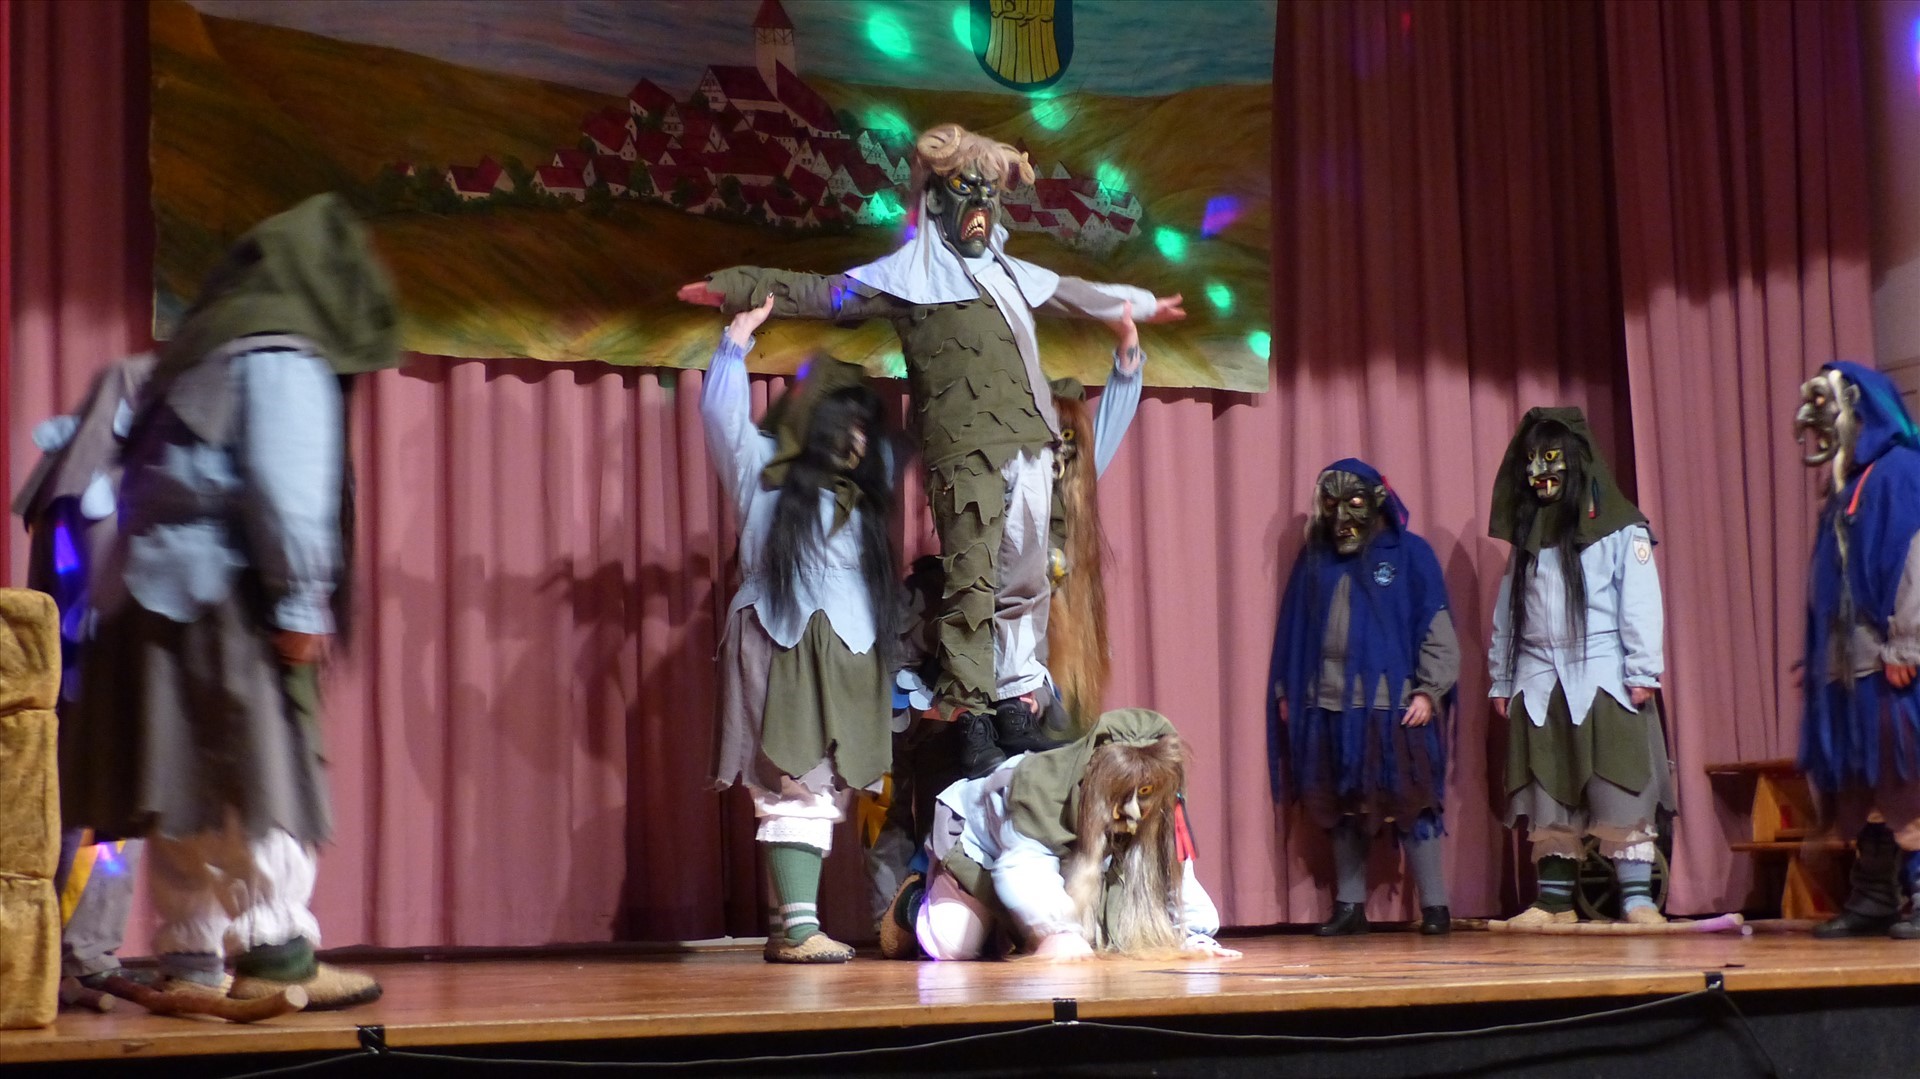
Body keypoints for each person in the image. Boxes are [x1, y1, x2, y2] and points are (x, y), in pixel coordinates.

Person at [680, 123, 1184, 778]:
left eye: (988, 195)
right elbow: (822, 292)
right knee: (973, 580)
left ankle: (1013, 699)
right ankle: (970, 713)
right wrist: (737, 286)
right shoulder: (907, 278)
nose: (979, 209)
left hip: (1029, 441)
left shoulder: (1008, 274)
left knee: (1028, 577)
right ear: (937, 200)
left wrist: (1140, 305)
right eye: (965, 192)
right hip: (965, 451)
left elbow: (1072, 292)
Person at [61, 193, 398, 1008]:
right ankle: (277, 951)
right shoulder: (281, 356)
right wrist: (301, 604)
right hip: (219, 598)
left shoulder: (193, 356)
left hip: (141, 602)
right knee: (255, 774)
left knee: (182, 779)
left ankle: (190, 952)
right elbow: (287, 488)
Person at [704, 296, 901, 962]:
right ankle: (796, 930)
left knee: (821, 786)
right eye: (850, 425)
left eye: (866, 429)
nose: (860, 441)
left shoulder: (863, 503)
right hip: (782, 644)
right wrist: (735, 342)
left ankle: (789, 922)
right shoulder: (764, 475)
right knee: (793, 780)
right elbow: (722, 419)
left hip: (844, 656)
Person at [1488, 408, 1673, 926]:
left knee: (1619, 782)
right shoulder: (1528, 538)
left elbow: (1640, 600)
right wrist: (1503, 677)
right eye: (1530, 460)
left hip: (1604, 673)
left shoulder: (1622, 530)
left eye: (1550, 458)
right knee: (1548, 787)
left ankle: (1636, 899)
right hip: (1539, 678)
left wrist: (1642, 669)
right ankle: (1553, 901)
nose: (1538, 473)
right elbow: (1508, 613)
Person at [13, 354, 156, 999]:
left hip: (77, 682)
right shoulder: (95, 490)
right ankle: (81, 953)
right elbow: (86, 595)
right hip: (96, 683)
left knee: (83, 816)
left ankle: (67, 953)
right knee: (102, 821)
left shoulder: (68, 480)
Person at [877, 708, 1239, 963]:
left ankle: (1003, 927)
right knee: (954, 944)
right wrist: (1058, 931)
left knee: (1088, 940)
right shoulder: (1040, 786)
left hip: (1052, 862)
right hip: (981, 848)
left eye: (1143, 794)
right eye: (1121, 793)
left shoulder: (1160, 804)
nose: (1132, 810)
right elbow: (1023, 867)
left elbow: (1175, 874)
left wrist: (1191, 935)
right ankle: (917, 900)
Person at [1268, 459, 1458, 936]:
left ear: (1376, 502)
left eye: (1353, 503)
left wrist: (1429, 691)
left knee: (1412, 803)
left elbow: (1436, 628)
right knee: (1341, 804)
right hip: (1327, 706)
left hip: (1392, 707)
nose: (1342, 517)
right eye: (1331, 504)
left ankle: (1436, 907)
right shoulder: (1315, 561)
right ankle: (1350, 907)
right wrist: (1288, 692)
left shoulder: (1411, 554)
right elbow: (1294, 632)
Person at [1791, 362, 1920, 939]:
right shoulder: (1847, 484)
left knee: (1906, 779)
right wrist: (1823, 657)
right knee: (1860, 780)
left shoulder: (1902, 473)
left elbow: (1917, 557)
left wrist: (1908, 644)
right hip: (1851, 665)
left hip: (1892, 658)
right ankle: (1873, 894)